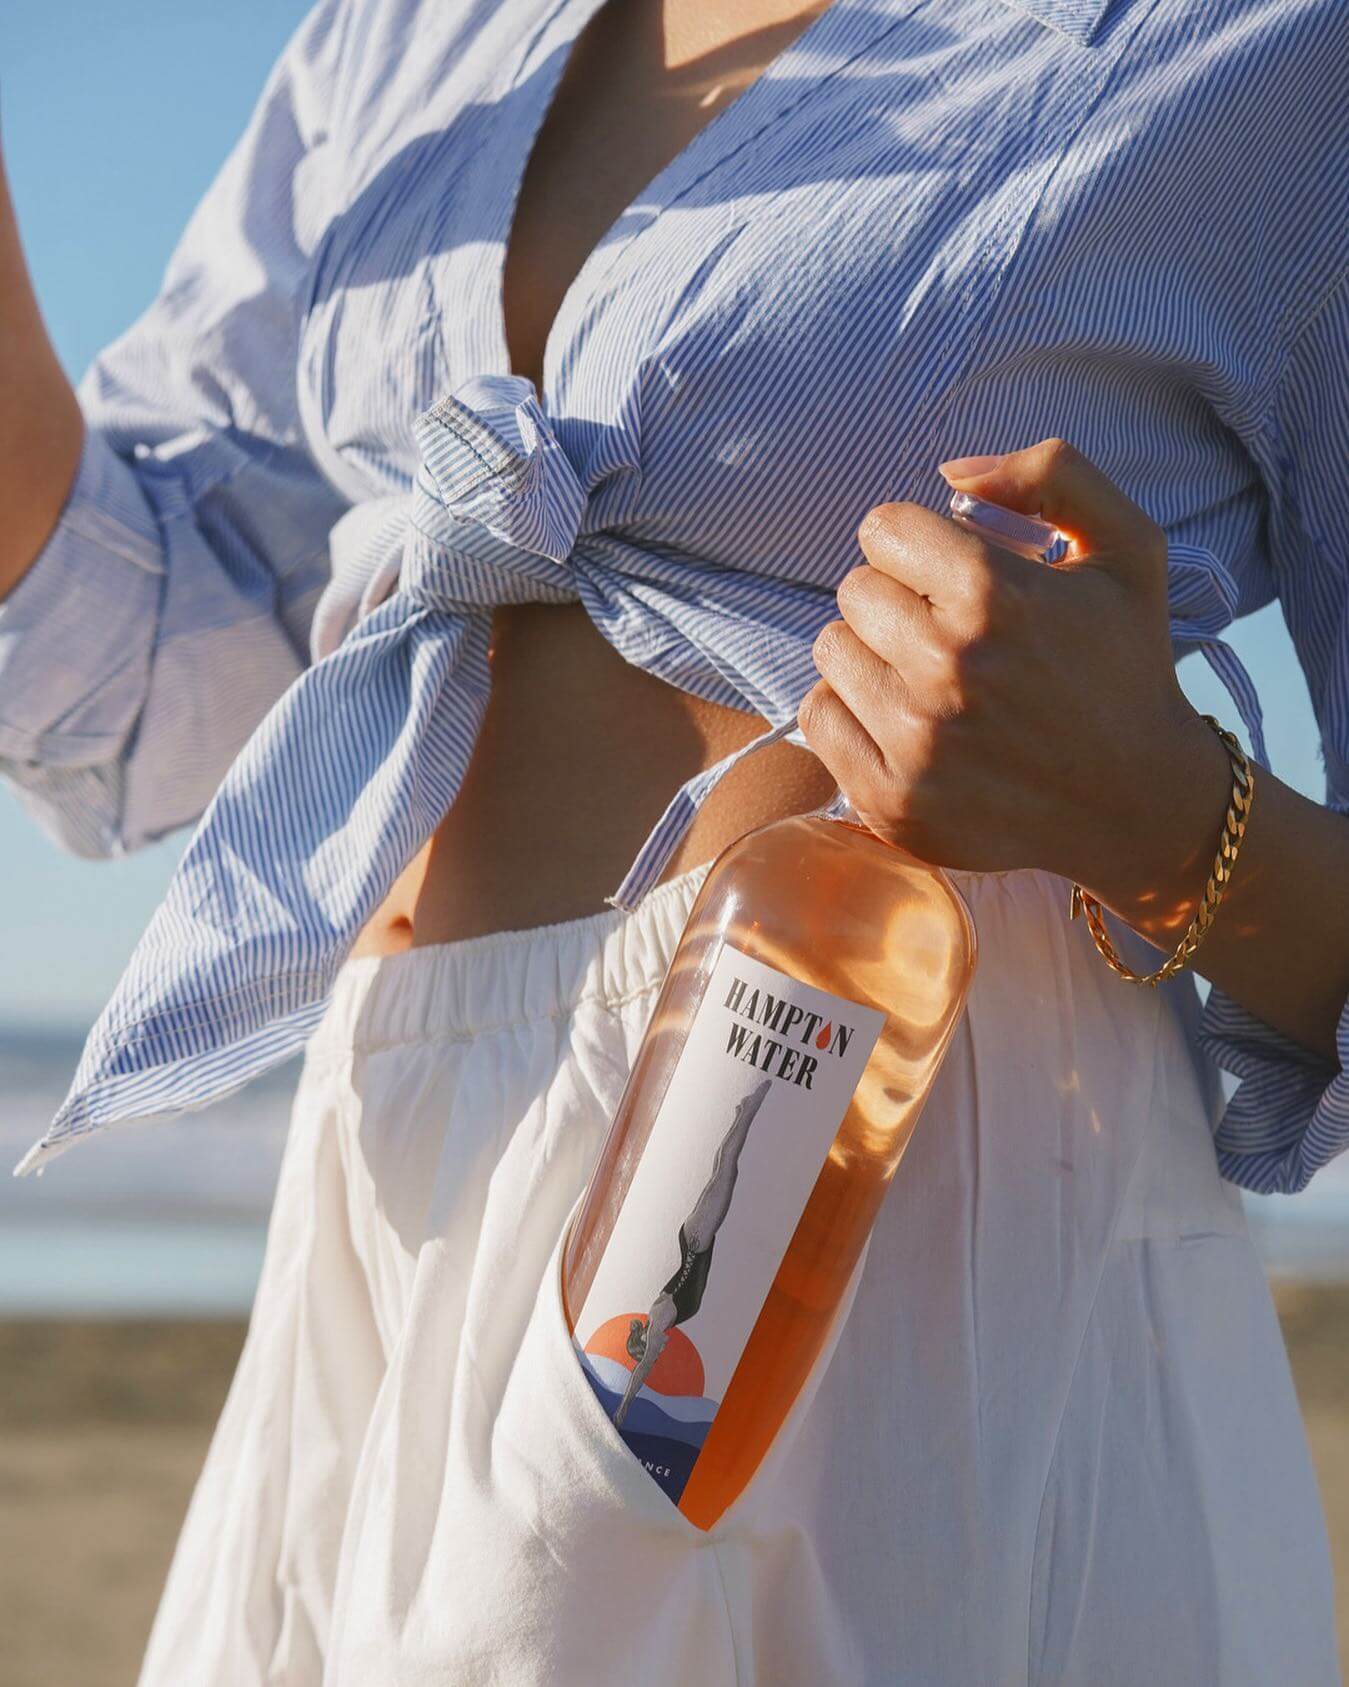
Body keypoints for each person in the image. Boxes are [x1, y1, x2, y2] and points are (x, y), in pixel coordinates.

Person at [2, 0, 1346, 1680]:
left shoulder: (1270, 53)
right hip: (376, 1184)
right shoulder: (401, 32)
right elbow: (149, 695)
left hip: (888, 1218)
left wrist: (1159, 810)